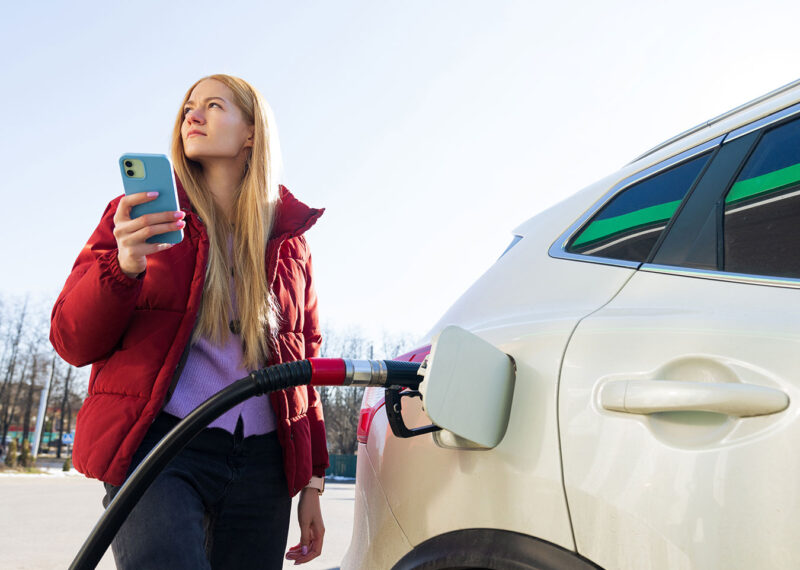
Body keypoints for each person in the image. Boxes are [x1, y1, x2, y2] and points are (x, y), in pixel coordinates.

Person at [50, 74, 328, 569]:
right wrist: (124, 265)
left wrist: (312, 482)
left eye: (214, 106)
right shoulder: (135, 217)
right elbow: (71, 339)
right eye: (187, 109)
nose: (191, 117)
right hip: (162, 448)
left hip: (263, 468)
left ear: (251, 133)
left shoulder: (290, 240)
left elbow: (307, 362)